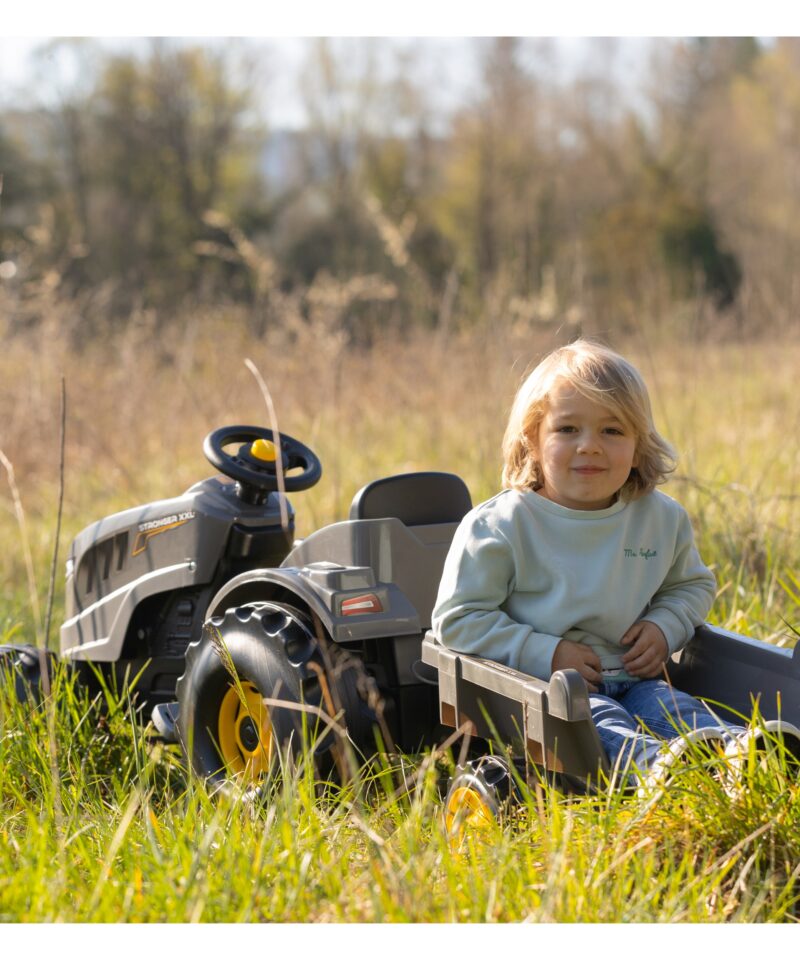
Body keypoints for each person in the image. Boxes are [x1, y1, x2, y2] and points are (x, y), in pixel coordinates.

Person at [432, 339, 798, 792]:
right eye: (568, 430)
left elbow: (691, 587)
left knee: (676, 708)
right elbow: (459, 619)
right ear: (533, 437)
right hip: (553, 691)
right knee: (599, 724)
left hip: (637, 675)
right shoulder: (503, 527)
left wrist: (664, 626)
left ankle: (741, 757)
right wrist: (546, 652)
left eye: (612, 431)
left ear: (639, 444)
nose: (590, 447)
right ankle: (659, 771)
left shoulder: (658, 518)